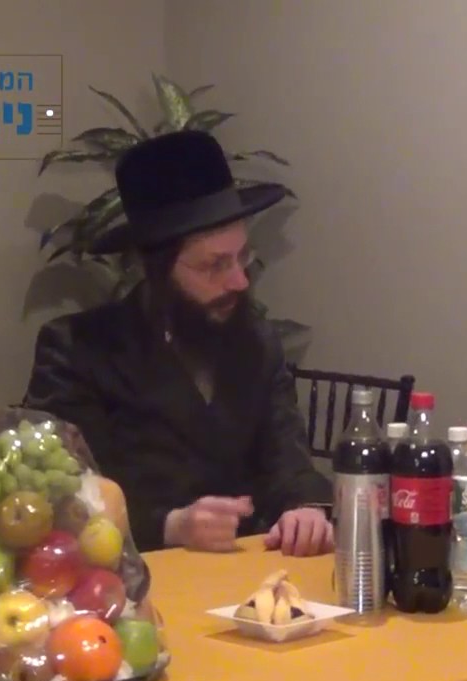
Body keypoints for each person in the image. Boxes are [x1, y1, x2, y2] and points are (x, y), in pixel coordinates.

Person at [21, 129, 333, 557]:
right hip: (138, 575)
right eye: (214, 265)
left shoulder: (256, 340)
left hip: (251, 571)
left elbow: (288, 457)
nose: (239, 281)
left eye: (241, 257)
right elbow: (68, 493)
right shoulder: (77, 350)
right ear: (157, 269)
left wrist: (305, 508)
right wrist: (171, 525)